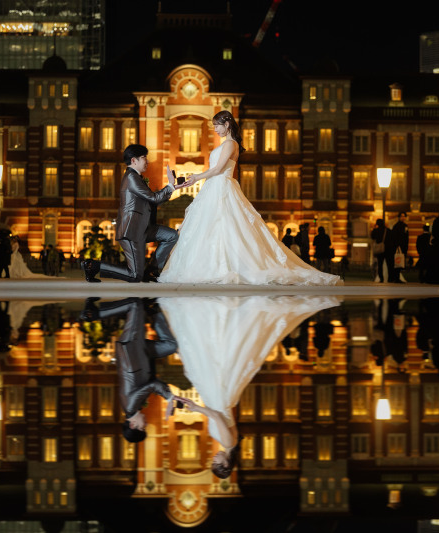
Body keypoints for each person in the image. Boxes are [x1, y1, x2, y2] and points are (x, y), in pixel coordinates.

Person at [161, 295, 340, 478]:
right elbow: (216, 415)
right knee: (205, 355)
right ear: (226, 463)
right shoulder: (228, 441)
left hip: (219, 397)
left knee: (208, 355)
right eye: (216, 462)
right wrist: (195, 408)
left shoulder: (230, 442)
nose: (214, 457)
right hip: (218, 398)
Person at [158, 110, 340, 285]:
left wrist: (197, 177)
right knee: (214, 227)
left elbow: (219, 169)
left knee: (225, 226)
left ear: (227, 124)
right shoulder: (226, 144)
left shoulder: (230, 144)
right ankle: (213, 266)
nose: (215, 129)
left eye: (217, 126)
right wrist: (196, 180)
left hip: (221, 186)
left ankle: (224, 267)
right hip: (214, 187)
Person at [81, 297, 177, 443]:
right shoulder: (134, 406)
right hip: (143, 355)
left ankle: (92, 313)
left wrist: (169, 398)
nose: (145, 424)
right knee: (170, 346)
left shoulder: (130, 405)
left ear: (133, 424)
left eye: (142, 427)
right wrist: (171, 398)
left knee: (134, 304)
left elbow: (153, 386)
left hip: (131, 350)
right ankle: (152, 309)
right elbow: (153, 384)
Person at [82, 144, 177, 283]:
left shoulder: (137, 178)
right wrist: (170, 185)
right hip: (131, 232)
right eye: (144, 157)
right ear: (134, 160)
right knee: (134, 276)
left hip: (142, 227)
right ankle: (93, 266)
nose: (147, 161)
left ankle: (151, 271)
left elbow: (151, 201)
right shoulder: (131, 178)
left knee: (171, 236)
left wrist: (172, 188)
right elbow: (153, 198)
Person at [388, 212, 409, 283]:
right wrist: (397, 246)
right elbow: (395, 238)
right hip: (398, 247)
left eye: (404, 216)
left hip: (403, 247)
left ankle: (396, 277)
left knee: (400, 263)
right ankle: (396, 277)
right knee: (398, 262)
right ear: (399, 217)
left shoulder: (405, 226)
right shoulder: (396, 226)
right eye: (402, 216)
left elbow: (406, 237)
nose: (403, 218)